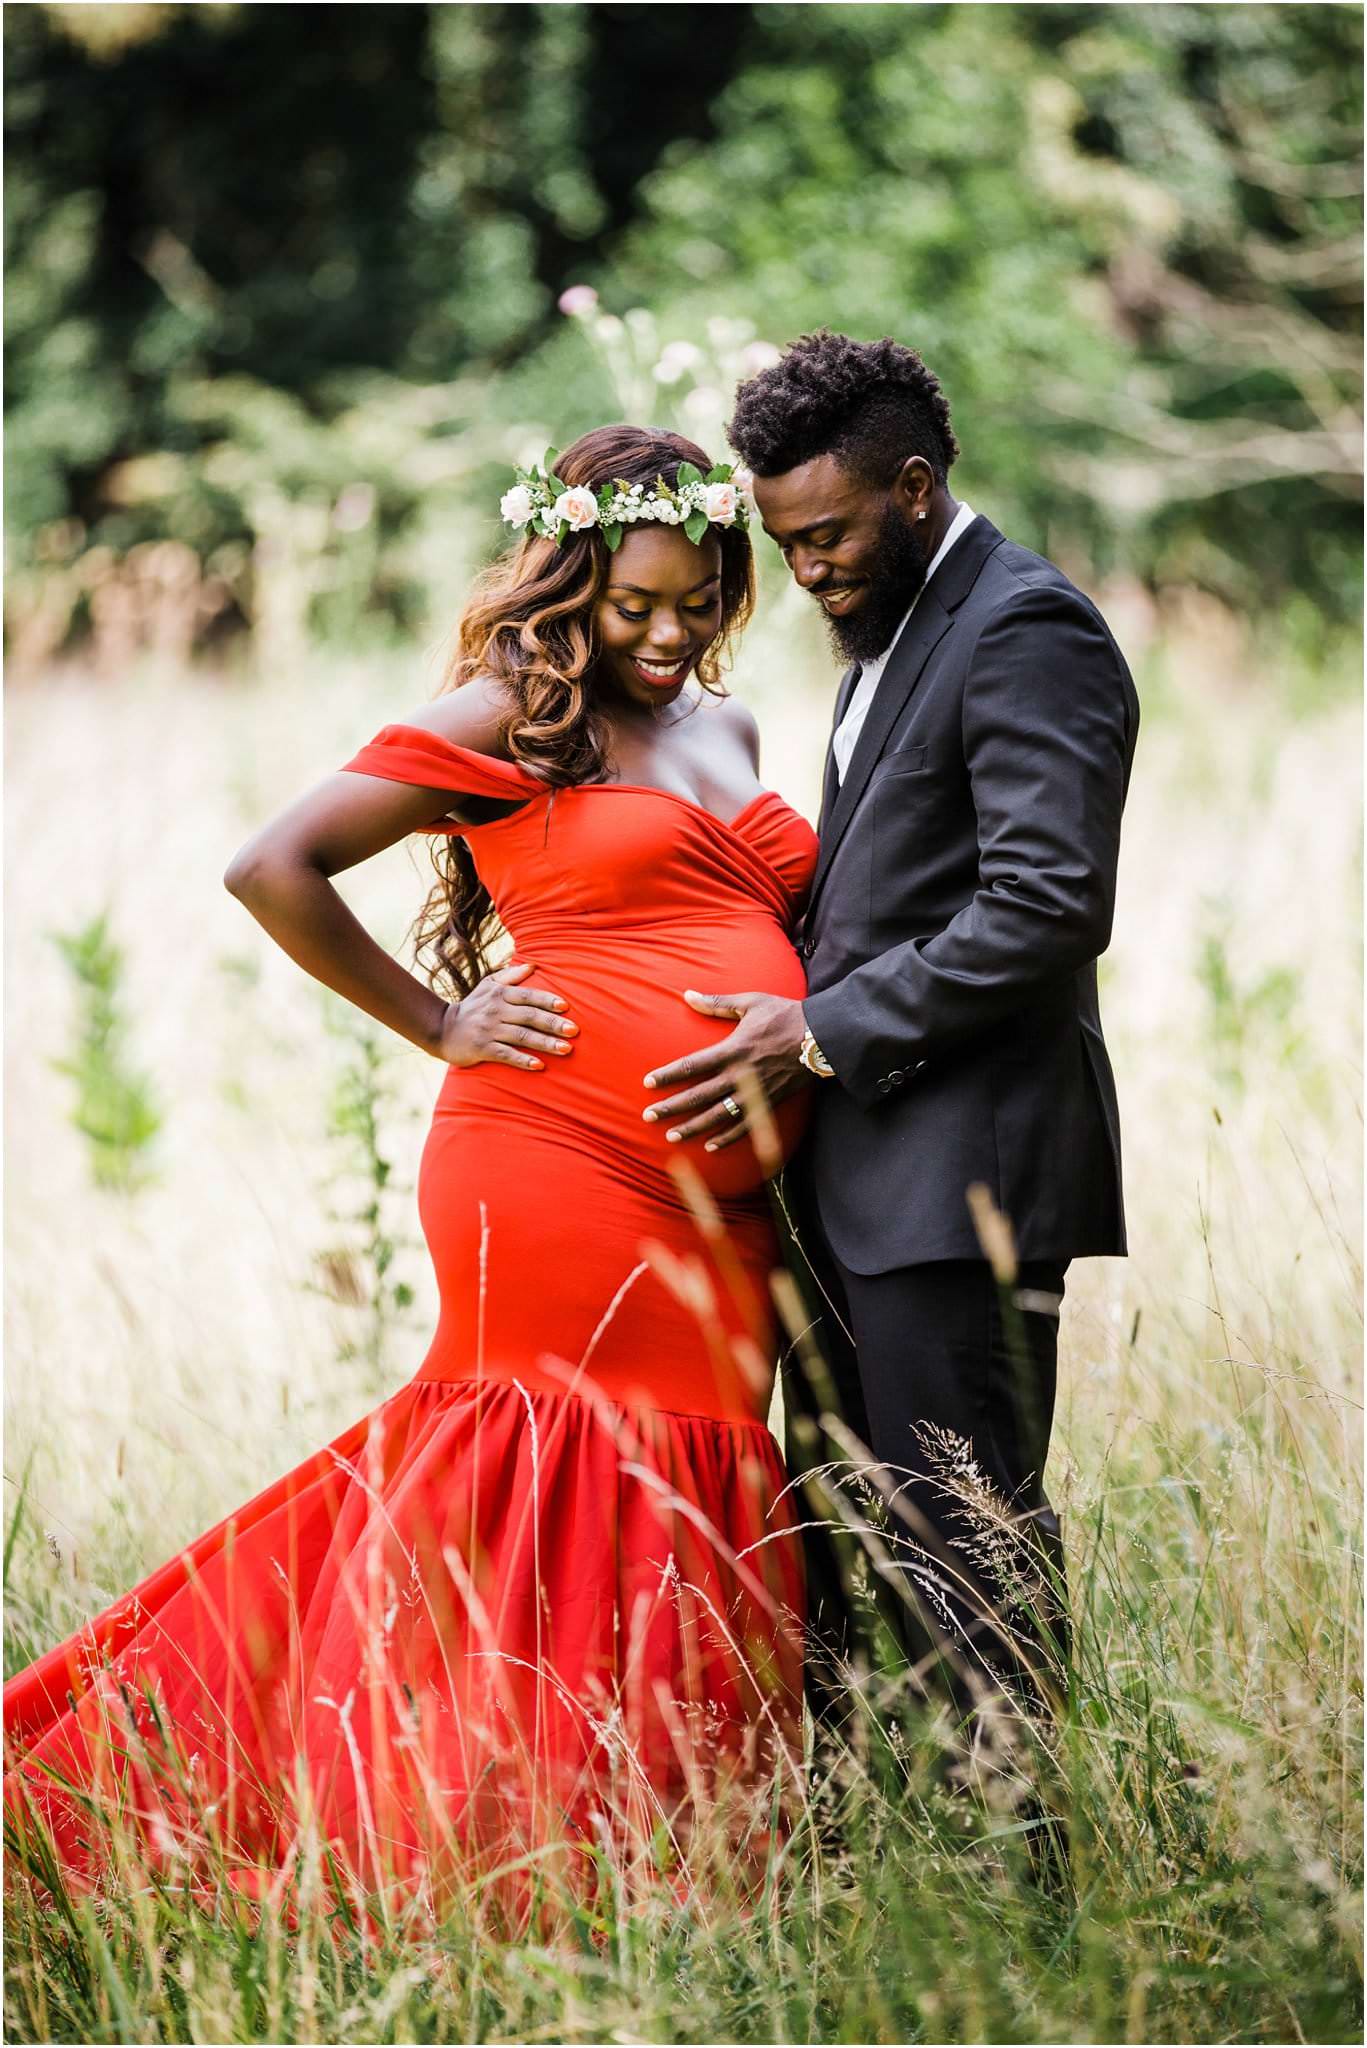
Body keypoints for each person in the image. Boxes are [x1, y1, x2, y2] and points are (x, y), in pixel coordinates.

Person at [3, 425, 815, 1913]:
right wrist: (443, 1020)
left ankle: (652, 1851)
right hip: (552, 1159)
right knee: (548, 1477)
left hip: (725, 1214)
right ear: (574, 576)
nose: (665, 632)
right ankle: (458, 1849)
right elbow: (273, 865)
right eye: (634, 602)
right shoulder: (515, 710)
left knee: (684, 1490)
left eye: (699, 600)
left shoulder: (731, 728)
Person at [644, 332, 1140, 1765]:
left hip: (963, 1186)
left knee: (966, 1548)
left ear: (916, 487)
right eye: (786, 541)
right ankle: (878, 1851)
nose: (808, 568)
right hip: (862, 1182)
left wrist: (819, 1029)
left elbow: (1050, 903)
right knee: (854, 1542)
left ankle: (1024, 1882)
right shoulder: (897, 630)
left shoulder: (1025, 625)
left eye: (831, 535)